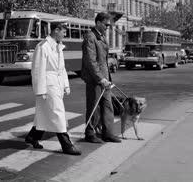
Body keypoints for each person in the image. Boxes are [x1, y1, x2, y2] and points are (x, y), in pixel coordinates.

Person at [25, 19, 81, 155]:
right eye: (63, 31)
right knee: (58, 113)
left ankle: (32, 137)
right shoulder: (43, 46)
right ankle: (66, 145)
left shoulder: (58, 46)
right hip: (48, 85)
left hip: (57, 84)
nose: (65, 34)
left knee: (44, 114)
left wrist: (66, 84)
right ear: (56, 30)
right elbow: (37, 70)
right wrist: (40, 90)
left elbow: (61, 68)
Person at [81, 12, 121, 143]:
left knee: (108, 106)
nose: (107, 27)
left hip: (104, 79)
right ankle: (90, 134)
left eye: (109, 25)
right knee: (93, 107)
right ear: (98, 23)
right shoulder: (90, 37)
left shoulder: (101, 36)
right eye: (106, 25)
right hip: (95, 79)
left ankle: (108, 133)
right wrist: (100, 78)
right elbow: (90, 61)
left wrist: (106, 78)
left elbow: (103, 60)